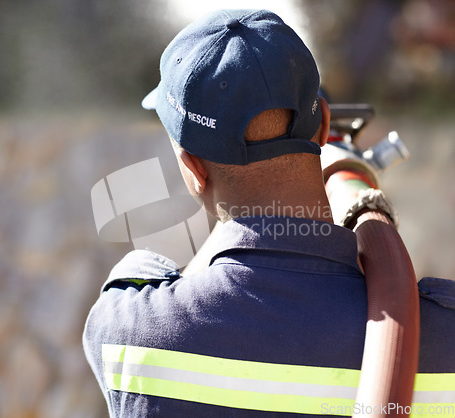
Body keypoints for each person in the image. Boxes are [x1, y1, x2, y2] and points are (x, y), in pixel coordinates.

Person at [83, 9, 455, 417]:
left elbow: (181, 278)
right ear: (323, 125)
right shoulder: (441, 336)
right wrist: (351, 189)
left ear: (193, 168)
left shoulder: (127, 331)